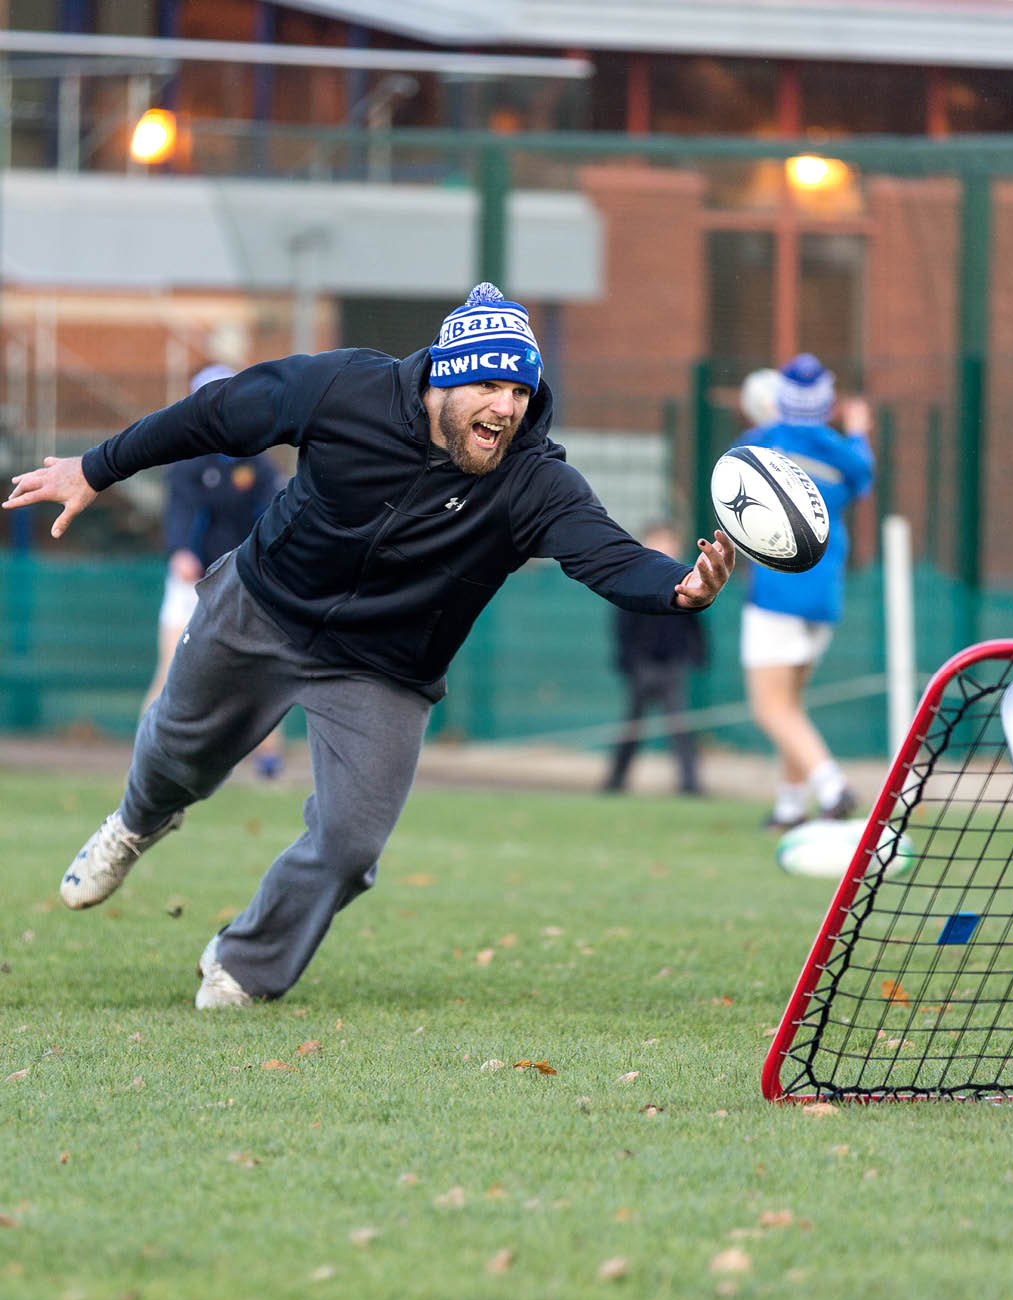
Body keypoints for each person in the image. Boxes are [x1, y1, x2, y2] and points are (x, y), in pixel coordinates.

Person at [5, 282, 736, 1009]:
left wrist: (679, 588)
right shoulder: (340, 389)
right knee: (172, 754)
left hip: (384, 668)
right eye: (489, 383)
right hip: (261, 605)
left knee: (350, 846)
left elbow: (603, 552)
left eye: (520, 390)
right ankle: (135, 824)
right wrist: (94, 468)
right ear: (445, 378)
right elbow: (214, 414)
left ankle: (244, 963)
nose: (507, 408)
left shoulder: (534, 481)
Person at [735, 353, 874, 830]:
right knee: (791, 708)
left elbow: (734, 472)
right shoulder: (842, 452)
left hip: (776, 593)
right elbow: (863, 475)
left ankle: (832, 788)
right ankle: (791, 807)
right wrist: (856, 430)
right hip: (823, 597)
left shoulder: (761, 442)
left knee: (770, 708)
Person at [142, 363, 287, 778]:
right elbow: (182, 515)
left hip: (244, 583)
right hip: (190, 584)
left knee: (259, 673)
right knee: (170, 672)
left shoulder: (256, 462)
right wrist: (182, 551)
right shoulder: (186, 461)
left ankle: (269, 763)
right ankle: (147, 760)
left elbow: (272, 511)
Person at [603, 521, 707, 796]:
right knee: (632, 728)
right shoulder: (634, 579)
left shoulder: (687, 581)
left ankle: (690, 784)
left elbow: (694, 623)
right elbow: (622, 624)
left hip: (673, 665)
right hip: (642, 666)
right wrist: (628, 661)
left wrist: (697, 654)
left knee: (681, 727)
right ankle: (615, 781)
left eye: (668, 542)